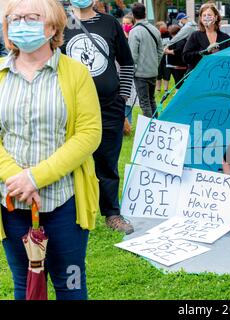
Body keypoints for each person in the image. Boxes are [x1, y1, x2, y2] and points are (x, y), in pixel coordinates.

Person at [0, 0, 102, 300]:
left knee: (70, 283)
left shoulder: (75, 73)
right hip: (11, 202)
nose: (22, 24)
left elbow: (88, 134)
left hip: (64, 202)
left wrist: (36, 178)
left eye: (31, 17)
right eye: (15, 18)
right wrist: (17, 179)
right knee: (26, 283)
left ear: (53, 26)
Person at [62, 0, 135, 234]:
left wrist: (122, 98)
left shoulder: (110, 23)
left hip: (109, 106)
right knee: (69, 160)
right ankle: (69, 212)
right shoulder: (60, 24)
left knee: (107, 162)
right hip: (71, 108)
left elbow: (127, 63)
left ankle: (112, 213)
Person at [128, 3, 163, 118]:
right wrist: (155, 64)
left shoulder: (134, 32)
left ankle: (149, 129)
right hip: (153, 71)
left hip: (140, 74)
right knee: (151, 99)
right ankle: (156, 124)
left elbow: (132, 56)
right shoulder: (155, 29)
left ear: (133, 15)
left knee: (144, 102)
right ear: (145, 13)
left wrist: (134, 70)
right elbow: (160, 50)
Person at [182, 3, 230, 72]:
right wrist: (205, 51)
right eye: (204, 15)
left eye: (209, 15)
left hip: (220, 76)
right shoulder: (195, 36)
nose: (206, 17)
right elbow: (185, 57)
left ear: (216, 17)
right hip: (199, 76)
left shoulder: (225, 38)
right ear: (201, 18)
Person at [121, 13, 135, 136]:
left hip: (132, 72)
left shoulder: (134, 37)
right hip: (120, 72)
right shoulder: (120, 37)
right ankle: (124, 126)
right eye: (124, 24)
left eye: (128, 24)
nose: (125, 26)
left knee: (129, 99)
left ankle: (128, 125)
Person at [165, 24, 187, 92]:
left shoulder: (180, 40)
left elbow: (178, 51)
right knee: (178, 80)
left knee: (179, 80)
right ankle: (178, 92)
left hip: (178, 65)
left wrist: (167, 51)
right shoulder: (176, 39)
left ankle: (178, 94)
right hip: (174, 64)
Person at [155, 21, 171, 93]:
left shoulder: (169, 34)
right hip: (158, 56)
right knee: (158, 73)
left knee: (166, 72)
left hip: (167, 56)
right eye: (162, 28)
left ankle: (166, 89)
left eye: (165, 28)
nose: (164, 30)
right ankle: (158, 89)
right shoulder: (155, 35)